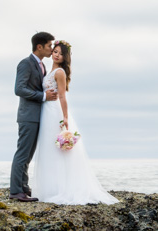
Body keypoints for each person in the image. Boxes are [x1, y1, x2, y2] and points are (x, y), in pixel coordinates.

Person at [33, 40, 118, 205]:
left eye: (61, 54)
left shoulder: (59, 72)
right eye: (55, 51)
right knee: (48, 147)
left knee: (57, 149)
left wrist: (64, 117)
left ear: (65, 58)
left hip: (54, 111)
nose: (57, 55)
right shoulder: (47, 70)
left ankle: (62, 188)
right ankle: (51, 187)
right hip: (46, 111)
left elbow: (63, 96)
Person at [9, 31, 58, 202]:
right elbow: (19, 89)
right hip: (28, 116)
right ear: (39, 46)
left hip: (37, 116)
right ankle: (15, 191)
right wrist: (43, 96)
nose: (51, 49)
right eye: (49, 46)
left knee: (28, 155)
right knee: (23, 153)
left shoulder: (42, 65)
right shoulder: (26, 63)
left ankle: (23, 187)